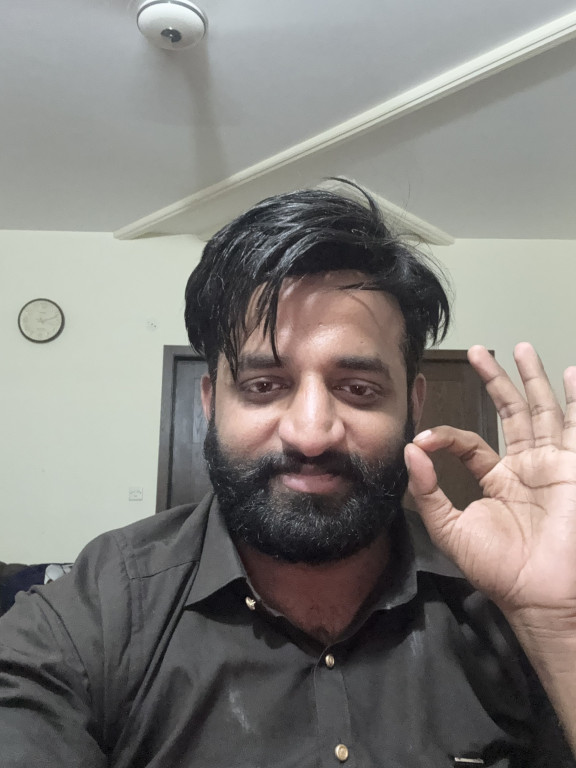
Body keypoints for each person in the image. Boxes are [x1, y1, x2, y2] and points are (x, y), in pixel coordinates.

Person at [1, 182, 575, 767]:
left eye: (358, 389)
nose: (311, 432)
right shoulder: (104, 606)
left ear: (414, 405)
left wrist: (560, 626)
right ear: (210, 403)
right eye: (264, 386)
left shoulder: (501, 601)